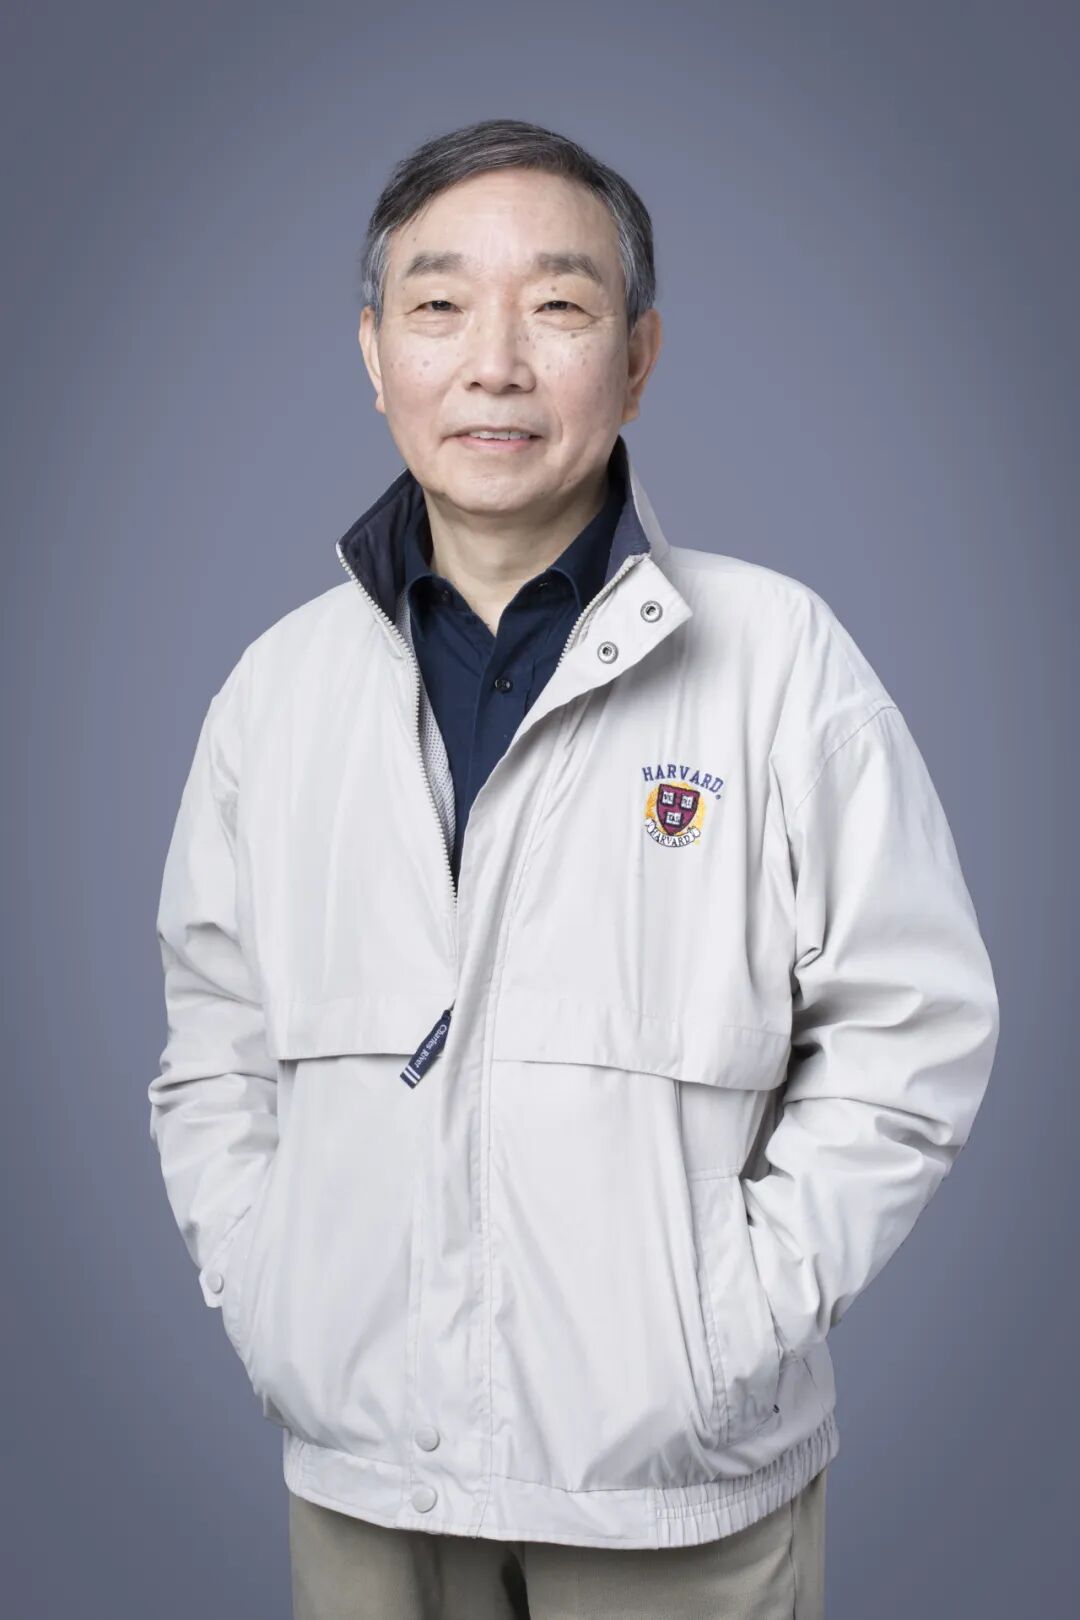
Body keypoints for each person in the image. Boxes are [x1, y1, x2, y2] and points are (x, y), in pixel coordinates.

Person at [148, 117, 1000, 1620]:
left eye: (556, 304)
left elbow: (914, 1029)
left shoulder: (779, 663)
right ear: (374, 351)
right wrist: (277, 1298)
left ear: (638, 356)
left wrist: (733, 1323)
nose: (495, 363)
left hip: (673, 1491)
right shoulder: (275, 695)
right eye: (438, 305)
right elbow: (212, 1044)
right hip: (365, 1482)